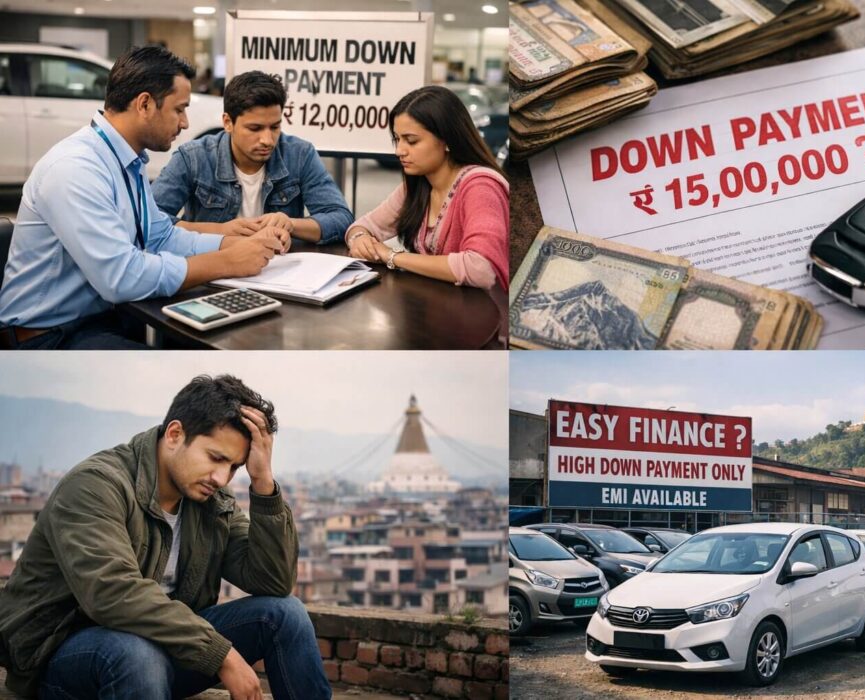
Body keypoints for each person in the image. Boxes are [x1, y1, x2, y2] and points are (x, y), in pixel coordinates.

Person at [0, 375, 332, 700]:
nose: (221, 477)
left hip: (161, 652)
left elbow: (272, 582)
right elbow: (112, 593)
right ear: (174, 434)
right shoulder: (95, 485)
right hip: (64, 659)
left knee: (286, 614)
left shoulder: (212, 501)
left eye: (234, 467)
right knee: (134, 654)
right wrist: (223, 656)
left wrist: (262, 482)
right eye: (216, 458)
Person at [0, 46, 287, 350]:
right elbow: (121, 277)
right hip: (48, 337)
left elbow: (159, 236)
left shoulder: (127, 160)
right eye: (179, 109)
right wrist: (227, 261)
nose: (186, 123)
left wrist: (236, 244)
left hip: (102, 320)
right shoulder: (75, 169)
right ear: (145, 104)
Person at [153, 71, 353, 245]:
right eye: (254, 128)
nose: (267, 140)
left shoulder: (300, 154)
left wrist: (290, 224)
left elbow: (341, 218)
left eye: (275, 127)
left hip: (281, 271)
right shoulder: (193, 157)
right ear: (228, 122)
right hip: (213, 269)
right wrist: (220, 232)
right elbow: (149, 221)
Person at [345, 85, 509, 297]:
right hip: (435, 311)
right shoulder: (418, 184)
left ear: (447, 140)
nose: (399, 151)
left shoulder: (481, 187)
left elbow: (480, 268)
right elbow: (362, 226)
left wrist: (392, 256)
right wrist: (359, 239)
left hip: (484, 320)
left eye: (411, 141)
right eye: (397, 139)